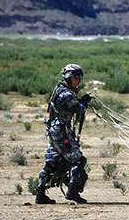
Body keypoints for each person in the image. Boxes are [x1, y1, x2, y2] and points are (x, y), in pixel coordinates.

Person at [34, 64, 91, 204]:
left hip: (54, 131)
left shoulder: (58, 89)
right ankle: (72, 192)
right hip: (61, 131)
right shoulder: (66, 93)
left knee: (52, 163)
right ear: (69, 78)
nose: (77, 81)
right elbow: (79, 109)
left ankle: (40, 194)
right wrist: (83, 103)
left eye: (78, 79)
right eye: (75, 78)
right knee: (78, 159)